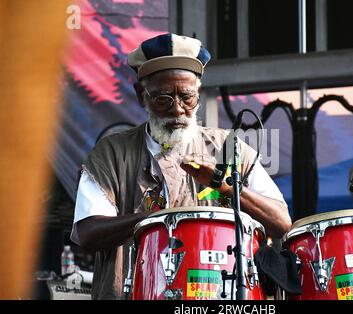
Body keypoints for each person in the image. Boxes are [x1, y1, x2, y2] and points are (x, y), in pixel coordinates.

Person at [70, 33, 291, 299]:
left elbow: (281, 223)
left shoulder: (229, 149)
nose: (177, 110)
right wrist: (157, 221)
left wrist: (227, 188)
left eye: (187, 97)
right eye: (163, 98)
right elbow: (89, 232)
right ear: (141, 95)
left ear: (198, 94)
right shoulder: (112, 154)